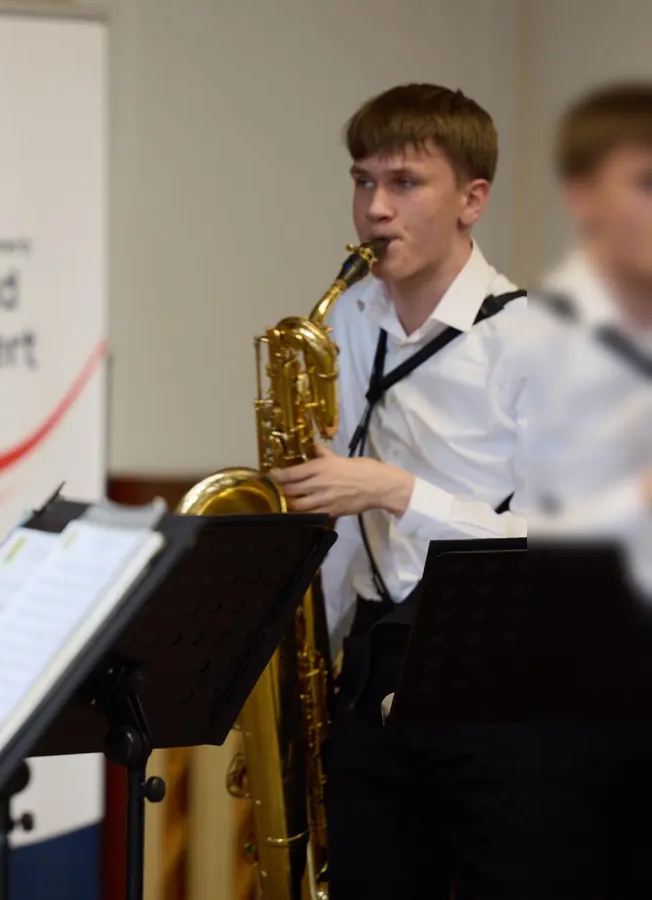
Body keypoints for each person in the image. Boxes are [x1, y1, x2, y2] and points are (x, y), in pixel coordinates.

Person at [266, 83, 560, 898]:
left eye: (405, 183)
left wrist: (400, 492)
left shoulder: (541, 340)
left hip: (501, 686)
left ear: (473, 200)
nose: (375, 209)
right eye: (363, 181)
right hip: (367, 673)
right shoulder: (344, 322)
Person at [518, 80, 652, 898]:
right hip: (571, 718)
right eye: (646, 182)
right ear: (581, 196)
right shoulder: (530, 343)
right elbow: (514, 535)